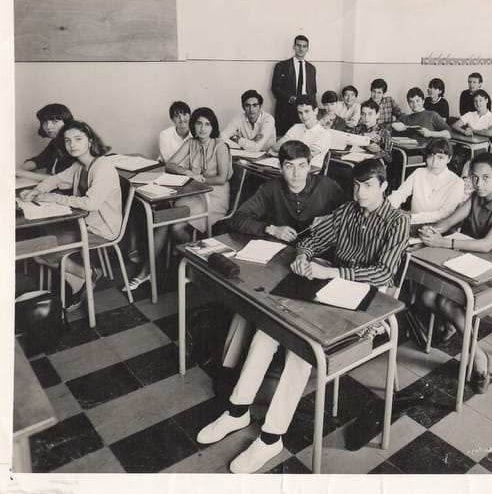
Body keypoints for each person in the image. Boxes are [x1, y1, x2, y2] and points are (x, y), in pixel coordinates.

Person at [196, 158, 409, 474]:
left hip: (367, 306)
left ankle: (271, 438)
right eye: (356, 186)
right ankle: (237, 410)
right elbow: (312, 239)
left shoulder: (397, 220)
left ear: (384, 187)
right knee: (269, 329)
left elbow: (384, 273)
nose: (360, 193)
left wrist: (333, 271)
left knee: (302, 348)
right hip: (331, 291)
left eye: (368, 186)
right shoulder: (348, 210)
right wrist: (303, 255)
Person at [218, 140, 348, 368]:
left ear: (310, 166)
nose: (296, 173)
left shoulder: (326, 186)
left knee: (287, 312)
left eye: (302, 166)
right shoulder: (270, 188)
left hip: (315, 263)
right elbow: (237, 219)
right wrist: (271, 229)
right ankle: (229, 365)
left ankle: (269, 355)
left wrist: (331, 218)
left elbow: (351, 212)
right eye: (289, 166)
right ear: (280, 168)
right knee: (250, 302)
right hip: (277, 259)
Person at [418, 152, 492, 394]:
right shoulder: (476, 196)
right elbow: (449, 221)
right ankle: (454, 323)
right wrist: (432, 230)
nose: (479, 183)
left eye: (486, 178)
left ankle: (478, 356)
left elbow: (487, 244)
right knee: (426, 296)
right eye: (474, 178)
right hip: (470, 263)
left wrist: (443, 243)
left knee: (445, 301)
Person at [126, 107, 232, 291]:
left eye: (207, 124)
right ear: (193, 125)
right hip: (194, 194)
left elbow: (222, 178)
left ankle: (187, 263)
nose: (202, 128)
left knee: (175, 225)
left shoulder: (220, 146)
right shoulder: (191, 142)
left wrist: (199, 180)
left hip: (214, 196)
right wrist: (188, 172)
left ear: (213, 126)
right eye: (199, 123)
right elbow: (170, 165)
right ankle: (152, 270)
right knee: (166, 220)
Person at [20, 121, 122, 310]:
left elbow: (91, 203)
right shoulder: (79, 164)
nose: (72, 144)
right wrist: (37, 190)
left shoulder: (102, 166)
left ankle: (87, 275)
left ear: (90, 141)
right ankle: (83, 276)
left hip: (101, 229)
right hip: (81, 223)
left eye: (78, 139)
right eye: (67, 141)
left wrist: (54, 198)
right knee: (38, 247)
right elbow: (57, 179)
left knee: (43, 250)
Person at [388, 139, 464, 225]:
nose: (434, 162)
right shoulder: (419, 172)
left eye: (440, 157)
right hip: (413, 222)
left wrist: (411, 217)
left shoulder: (457, 182)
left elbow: (444, 214)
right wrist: (386, 208)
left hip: (438, 227)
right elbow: (400, 194)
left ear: (449, 159)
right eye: (431, 156)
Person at [272, 35, 317, 135]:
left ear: (307, 49)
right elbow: (275, 88)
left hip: (305, 110)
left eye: (304, 46)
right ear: (294, 47)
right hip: (286, 109)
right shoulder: (282, 66)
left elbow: (313, 91)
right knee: (286, 137)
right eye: (298, 45)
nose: (301, 49)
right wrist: (290, 98)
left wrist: (312, 110)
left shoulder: (311, 68)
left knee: (304, 137)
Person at [271, 95, 331, 169]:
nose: (304, 116)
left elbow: (306, 156)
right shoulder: (296, 127)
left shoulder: (324, 133)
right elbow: (276, 147)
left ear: (316, 111)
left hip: (309, 171)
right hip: (289, 167)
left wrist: (284, 150)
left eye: (307, 111)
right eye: (300, 113)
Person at [20, 103, 75, 178]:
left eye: (55, 121)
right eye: (45, 122)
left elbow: (63, 178)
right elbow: (39, 161)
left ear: (66, 122)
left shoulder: (74, 145)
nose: (48, 127)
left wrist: (22, 173)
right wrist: (21, 168)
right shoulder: (55, 142)